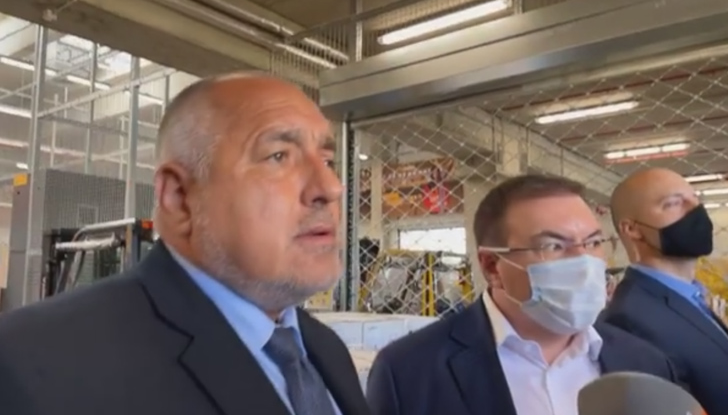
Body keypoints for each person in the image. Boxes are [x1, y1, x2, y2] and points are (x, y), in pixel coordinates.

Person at [0, 73, 370, 415]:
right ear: (179, 197)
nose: (331, 187)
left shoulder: (325, 351)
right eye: (278, 157)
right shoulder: (35, 366)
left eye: (328, 160)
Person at [366, 174, 678, 415]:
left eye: (594, 243)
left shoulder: (646, 363)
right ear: (492, 266)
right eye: (553, 246)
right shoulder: (409, 371)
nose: (584, 262)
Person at [600, 167, 728, 415]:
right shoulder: (630, 320)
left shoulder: (690, 297)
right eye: (673, 203)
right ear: (632, 229)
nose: (695, 210)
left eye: (695, 199)